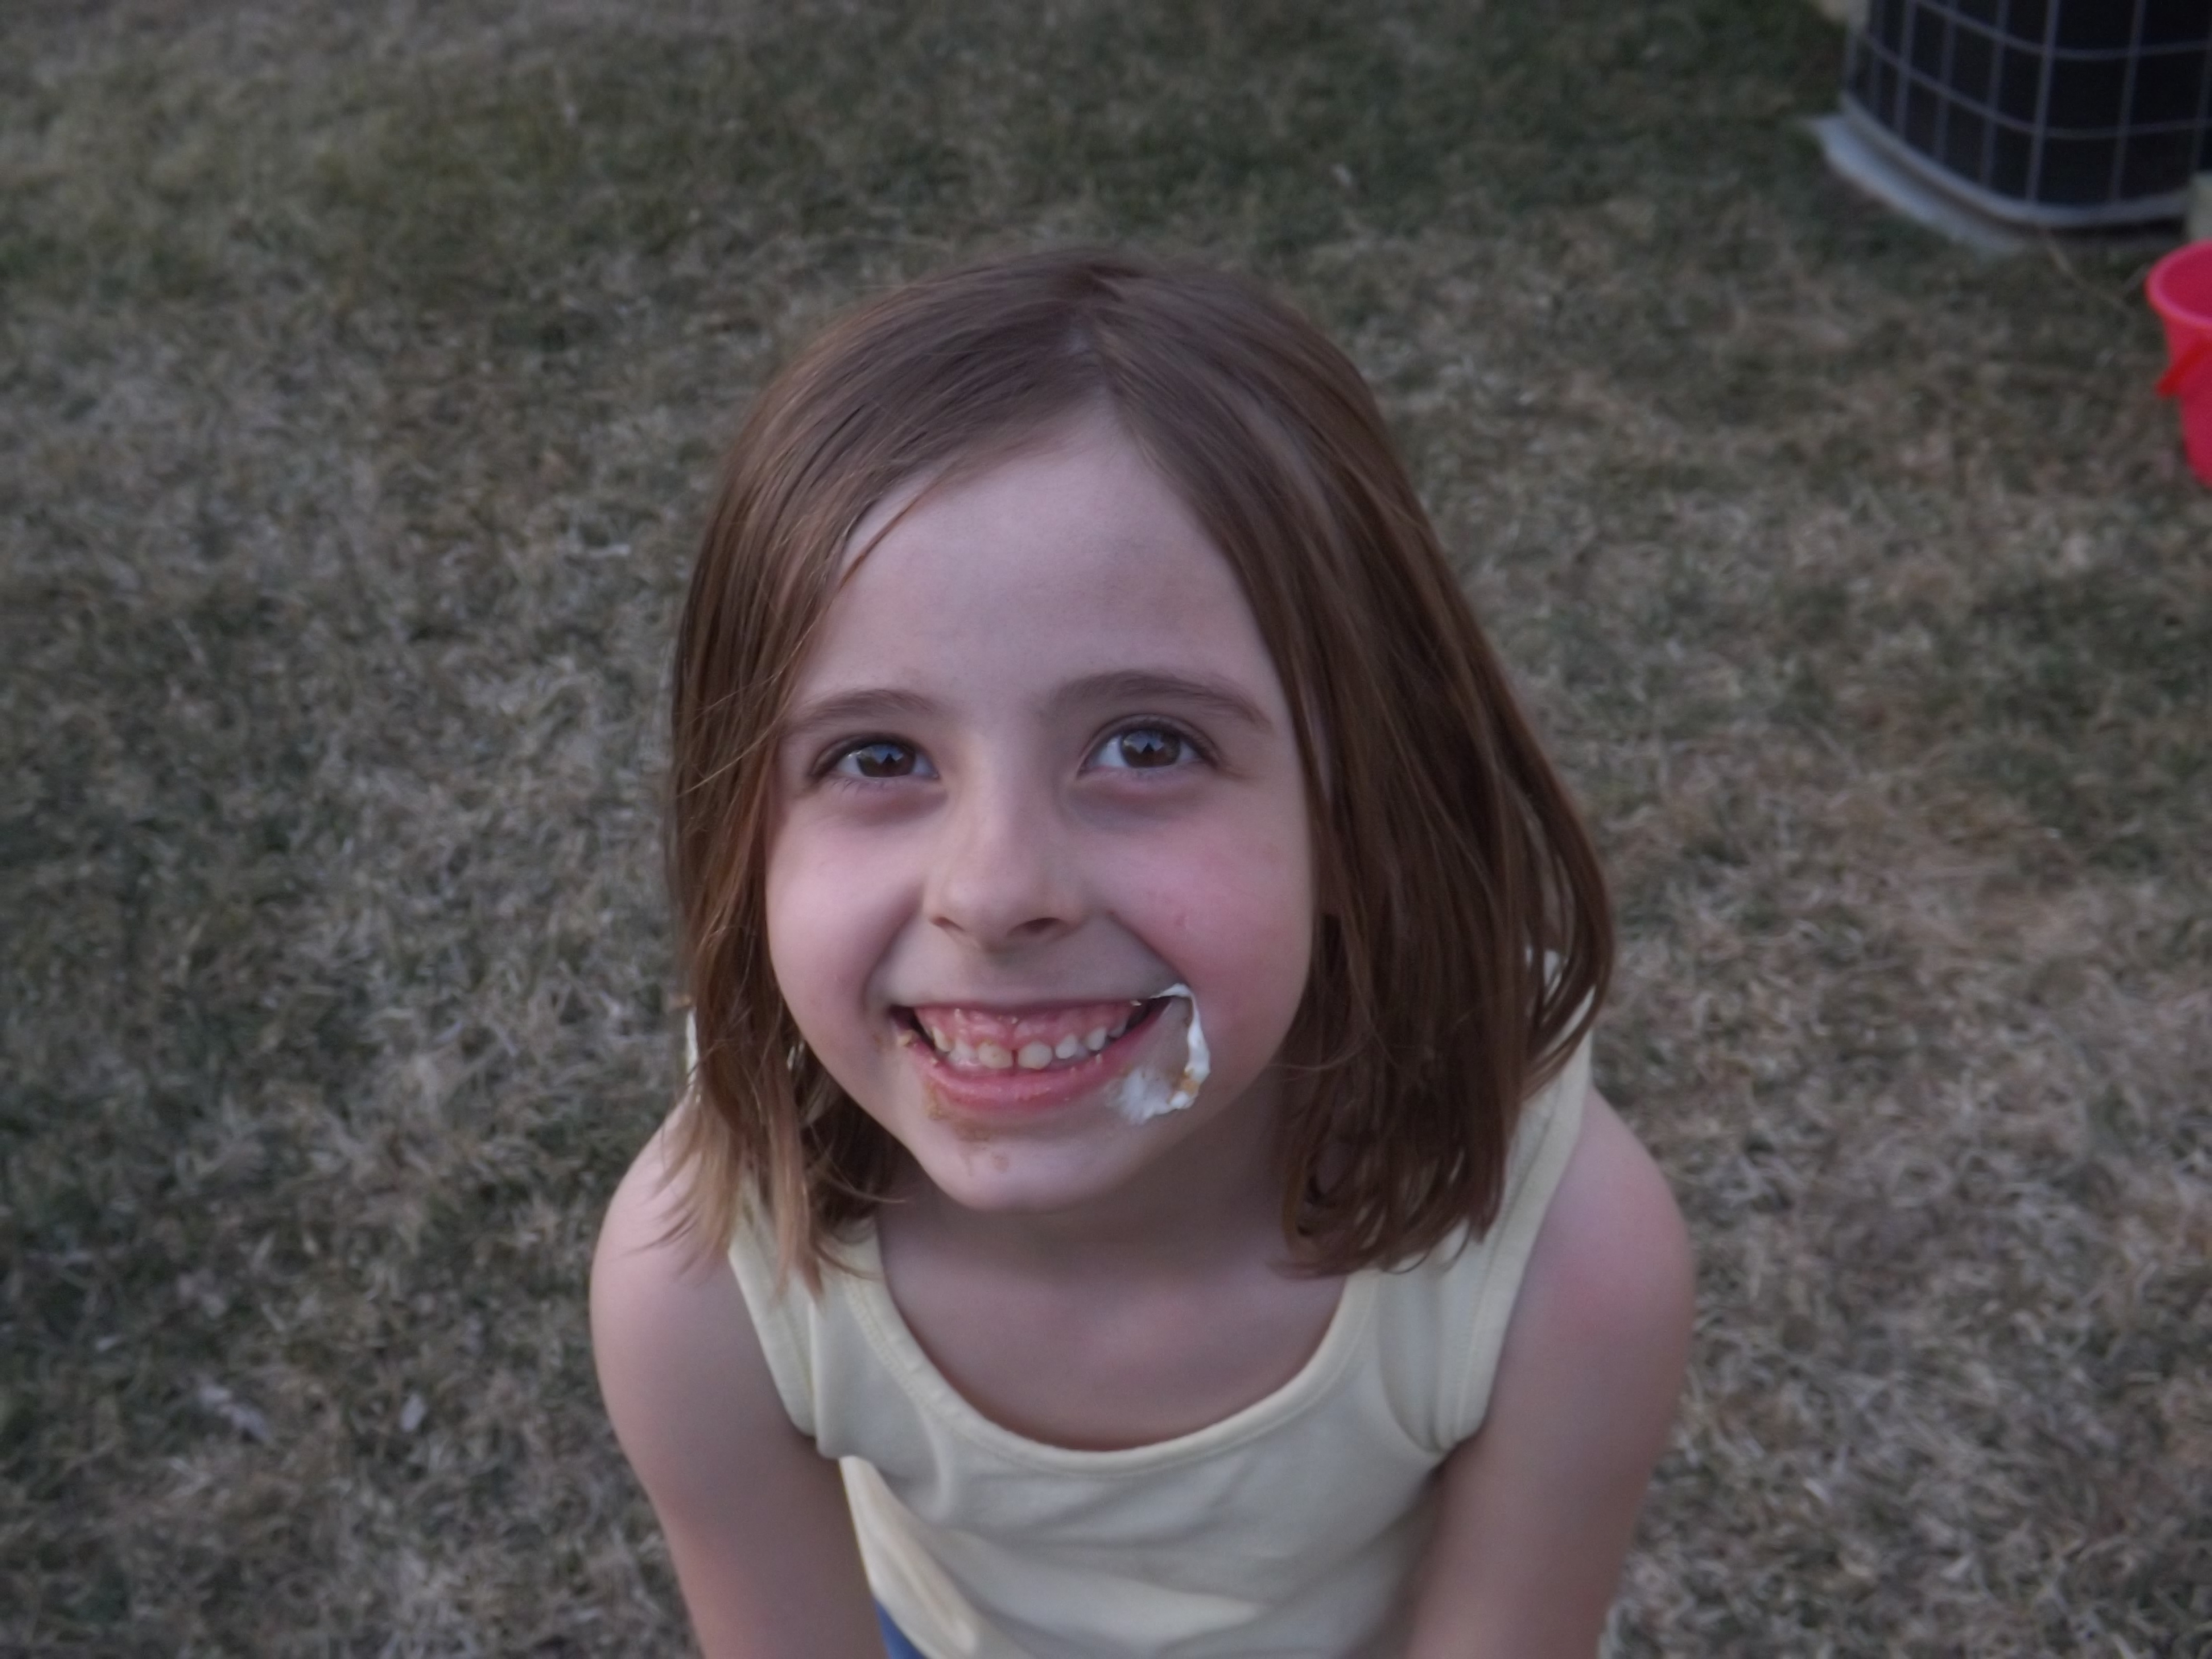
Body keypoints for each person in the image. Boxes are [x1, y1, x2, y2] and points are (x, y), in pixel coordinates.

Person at [590, 248, 1694, 1659]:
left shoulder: (1560, 1259)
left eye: (1148, 745)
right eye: (877, 756)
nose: (996, 892)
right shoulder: (703, 1280)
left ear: (1363, 814)